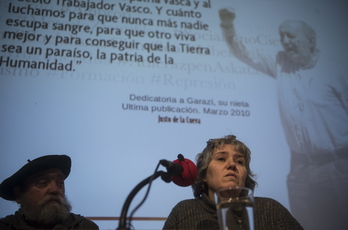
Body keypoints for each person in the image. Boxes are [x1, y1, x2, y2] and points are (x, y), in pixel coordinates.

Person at [219, 8, 348, 230]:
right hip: (300, 168)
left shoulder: (336, 71)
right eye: (281, 37)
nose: (285, 42)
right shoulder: (281, 63)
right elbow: (244, 53)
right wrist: (228, 26)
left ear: (310, 40)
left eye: (290, 36)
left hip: (338, 165)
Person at [163, 135, 303, 230]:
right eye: (221, 159)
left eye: (239, 161)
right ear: (204, 174)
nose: (232, 165)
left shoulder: (270, 210)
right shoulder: (183, 212)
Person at [0, 154, 99, 230]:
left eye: (60, 182)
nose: (55, 189)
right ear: (18, 195)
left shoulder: (85, 227)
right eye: (43, 183)